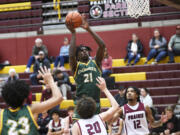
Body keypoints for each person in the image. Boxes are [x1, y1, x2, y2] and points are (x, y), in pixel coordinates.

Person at [0, 67, 63, 135]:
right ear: (25, 98)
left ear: (5, 98)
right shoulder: (31, 109)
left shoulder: (1, 114)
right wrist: (50, 81)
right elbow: (58, 98)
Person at [66, 14, 106, 119]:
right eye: (81, 50)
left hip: (95, 103)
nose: (84, 51)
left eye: (86, 50)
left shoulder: (96, 62)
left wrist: (89, 29)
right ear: (77, 55)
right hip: (81, 103)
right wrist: (73, 33)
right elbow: (70, 55)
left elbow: (102, 45)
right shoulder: (76, 66)